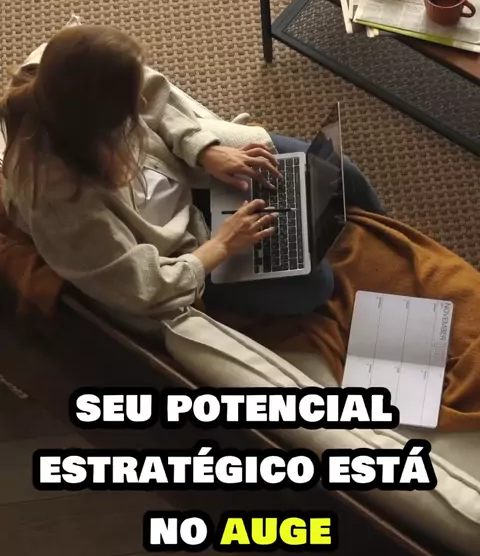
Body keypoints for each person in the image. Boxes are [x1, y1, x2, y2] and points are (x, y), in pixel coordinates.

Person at [0, 25, 383, 329]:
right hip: (190, 248)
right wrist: (223, 245)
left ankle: (384, 232)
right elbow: (143, 288)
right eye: (130, 107)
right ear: (98, 126)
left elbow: (155, 94)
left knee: (340, 171)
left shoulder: (68, 78)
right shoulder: (62, 206)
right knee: (315, 284)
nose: (142, 104)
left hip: (192, 172)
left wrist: (205, 150)